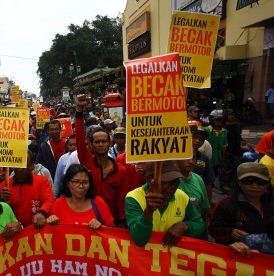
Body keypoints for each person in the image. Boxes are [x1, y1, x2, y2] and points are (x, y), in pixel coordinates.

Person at [125, 160, 206, 247]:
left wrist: (184, 226)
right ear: (149, 180)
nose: (172, 186)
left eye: (176, 180)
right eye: (166, 181)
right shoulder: (134, 198)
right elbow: (139, 240)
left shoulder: (182, 197)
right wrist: (148, 212)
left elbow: (200, 225)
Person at [75, 94, 128, 225]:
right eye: (97, 141)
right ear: (91, 144)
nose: (100, 144)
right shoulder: (87, 162)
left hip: (111, 223)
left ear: (110, 142)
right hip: (88, 220)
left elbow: (121, 200)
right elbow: (80, 140)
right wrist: (79, 111)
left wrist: (120, 225)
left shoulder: (120, 170)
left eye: (104, 141)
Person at [209, 162, 274, 245]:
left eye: (260, 182)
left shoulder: (271, 203)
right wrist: (230, 233)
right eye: (248, 181)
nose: (254, 186)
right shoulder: (225, 205)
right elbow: (213, 229)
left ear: (268, 184)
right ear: (239, 183)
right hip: (237, 256)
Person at [47, 164, 114, 228]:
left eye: (85, 182)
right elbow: (52, 233)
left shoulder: (98, 202)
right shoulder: (59, 203)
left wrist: (102, 228)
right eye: (76, 182)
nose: (81, 186)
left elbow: (114, 232)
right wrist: (50, 222)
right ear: (68, 183)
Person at [0, 151, 54, 228]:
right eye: (18, 165)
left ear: (32, 166)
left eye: (24, 165)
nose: (20, 169)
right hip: (12, 234)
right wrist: (0, 200)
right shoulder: (4, 186)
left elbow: (49, 200)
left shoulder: (42, 181)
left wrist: (41, 213)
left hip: (36, 231)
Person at [188, 123, 216, 205]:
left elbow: (208, 183)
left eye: (201, 138)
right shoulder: (175, 156)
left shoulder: (204, 158)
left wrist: (208, 204)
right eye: (194, 137)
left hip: (197, 201)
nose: (197, 141)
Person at [178, 156, 211, 221]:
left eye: (193, 157)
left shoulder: (199, 179)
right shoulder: (170, 181)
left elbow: (203, 208)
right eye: (186, 157)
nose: (191, 161)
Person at [206, 109, 228, 191]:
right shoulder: (206, 130)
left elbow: (224, 146)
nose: (219, 121)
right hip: (207, 160)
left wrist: (223, 160)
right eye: (216, 119)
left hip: (217, 160)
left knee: (213, 178)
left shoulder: (224, 132)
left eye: (220, 119)